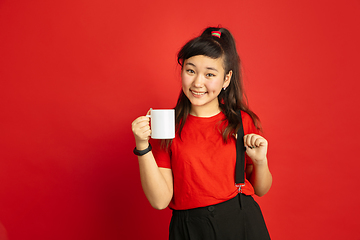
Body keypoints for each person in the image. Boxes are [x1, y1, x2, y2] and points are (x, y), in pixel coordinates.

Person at [132, 27, 272, 240]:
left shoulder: (242, 121)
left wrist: (260, 161)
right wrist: (143, 146)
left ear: (226, 79)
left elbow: (261, 189)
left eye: (209, 74)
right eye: (190, 71)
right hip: (191, 229)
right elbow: (160, 201)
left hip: (242, 222)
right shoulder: (168, 125)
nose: (198, 83)